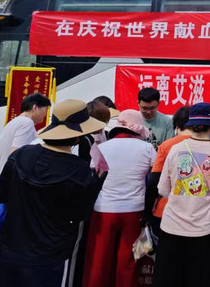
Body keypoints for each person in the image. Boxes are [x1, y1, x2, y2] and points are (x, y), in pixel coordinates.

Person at [0, 99, 107, 287]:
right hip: (50, 257)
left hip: (10, 250)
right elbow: (79, 214)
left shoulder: (21, 155)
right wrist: (97, 182)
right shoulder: (80, 170)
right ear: (78, 136)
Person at [153, 103, 210, 286]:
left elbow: (162, 189)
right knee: (200, 279)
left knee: (168, 279)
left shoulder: (175, 149)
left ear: (191, 124)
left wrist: (178, 199)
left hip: (171, 226)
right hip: (204, 228)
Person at [83, 109, 157, 287]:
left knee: (99, 259)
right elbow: (155, 176)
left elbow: (94, 175)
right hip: (134, 211)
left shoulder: (101, 147)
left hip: (103, 210)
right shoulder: (147, 148)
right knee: (129, 260)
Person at [143, 105, 192, 237]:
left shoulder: (167, 146)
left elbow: (154, 181)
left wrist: (147, 213)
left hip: (166, 210)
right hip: (196, 214)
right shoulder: (208, 146)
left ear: (177, 125)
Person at [0, 92, 51, 180]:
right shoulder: (26, 123)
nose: (46, 114)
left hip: (4, 180)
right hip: (12, 182)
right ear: (35, 107)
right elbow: (16, 155)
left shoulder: (14, 122)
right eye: (46, 109)